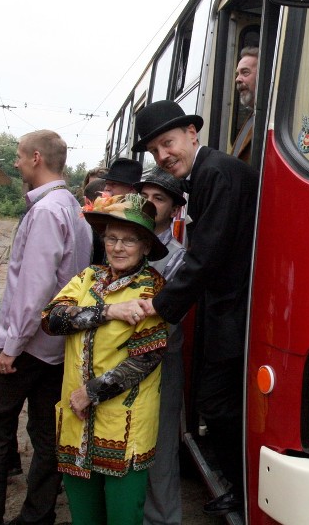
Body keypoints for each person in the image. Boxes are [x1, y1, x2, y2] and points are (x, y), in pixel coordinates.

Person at [133, 100, 258, 516]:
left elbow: (205, 257)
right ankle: (240, 487)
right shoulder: (207, 173)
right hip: (225, 308)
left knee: (218, 403)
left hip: (234, 310)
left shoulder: (217, 173)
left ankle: (244, 489)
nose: (163, 155)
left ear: (192, 133)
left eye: (167, 143)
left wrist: (159, 306)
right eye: (153, 151)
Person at [0, 129, 93, 525]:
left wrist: (11, 347)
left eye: (19, 156)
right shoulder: (72, 208)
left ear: (36, 158)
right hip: (56, 348)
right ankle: (37, 516)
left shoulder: (45, 211)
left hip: (27, 346)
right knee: (46, 435)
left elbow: (34, 287)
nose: (16, 163)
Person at [41, 193, 169, 525]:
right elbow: (52, 320)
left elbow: (145, 358)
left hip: (124, 428)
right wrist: (109, 311)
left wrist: (91, 393)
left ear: (145, 246)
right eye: (111, 237)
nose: (118, 247)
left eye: (129, 240)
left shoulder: (152, 289)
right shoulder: (88, 278)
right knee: (84, 517)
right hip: (76, 425)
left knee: (123, 517)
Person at [133, 168, 187, 524]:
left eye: (160, 198)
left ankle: (162, 519)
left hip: (161, 358)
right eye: (146, 197)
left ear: (173, 209)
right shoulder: (122, 241)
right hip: (117, 358)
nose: (151, 205)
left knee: (161, 444)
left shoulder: (179, 255)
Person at [230, 46, 258, 163]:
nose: (238, 79)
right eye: (237, 74)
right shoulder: (252, 117)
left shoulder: (272, 119)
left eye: (245, 72)